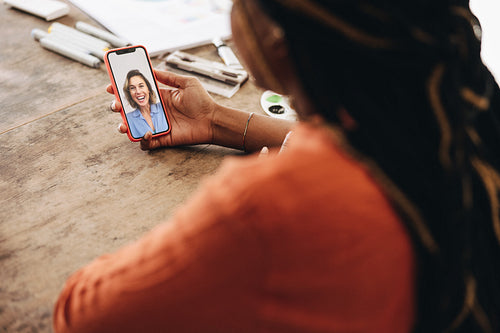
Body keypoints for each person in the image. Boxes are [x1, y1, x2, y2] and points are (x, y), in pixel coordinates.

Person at [53, 0, 500, 332]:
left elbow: (83, 315)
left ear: (277, 39)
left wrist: (202, 230)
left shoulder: (268, 206)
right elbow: (373, 151)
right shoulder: (466, 100)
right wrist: (219, 121)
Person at [123, 69, 169, 139]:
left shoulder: (164, 106)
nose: (138, 91)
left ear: (148, 89)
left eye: (141, 86)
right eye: (132, 88)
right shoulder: (128, 119)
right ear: (130, 94)